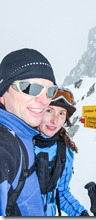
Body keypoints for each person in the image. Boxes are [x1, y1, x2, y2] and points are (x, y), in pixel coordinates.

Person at [0, 48, 58, 216]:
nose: (44, 100)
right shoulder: (6, 143)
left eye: (50, 91)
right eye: (30, 88)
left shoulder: (23, 134)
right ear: (3, 93)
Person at [33, 87, 89, 216]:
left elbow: (61, 193)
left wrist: (82, 214)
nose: (55, 120)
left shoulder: (64, 151)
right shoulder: (16, 143)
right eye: (49, 110)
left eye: (61, 113)